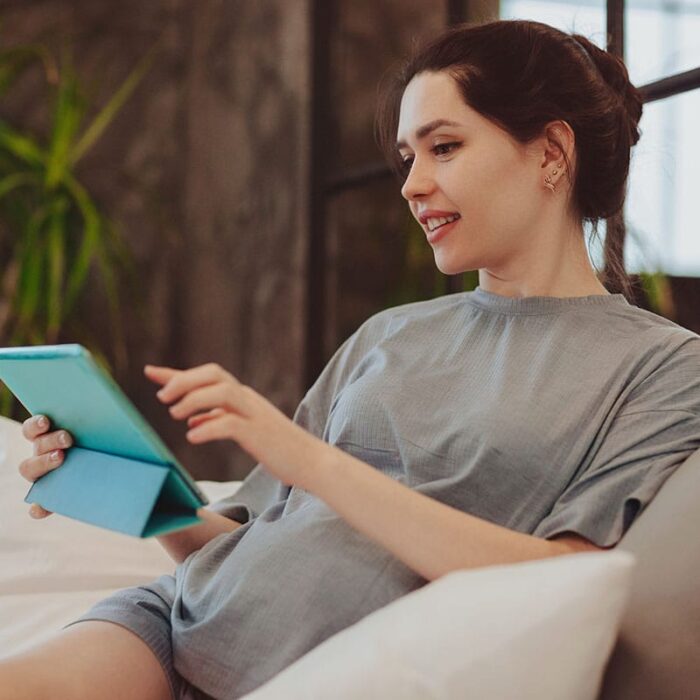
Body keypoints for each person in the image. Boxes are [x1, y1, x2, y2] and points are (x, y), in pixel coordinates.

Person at [2, 17, 700, 700]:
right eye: (408, 158)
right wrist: (129, 485)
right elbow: (247, 542)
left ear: (551, 151)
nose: (411, 184)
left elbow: (564, 579)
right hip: (172, 625)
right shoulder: (389, 333)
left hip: (328, 673)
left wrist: (307, 458)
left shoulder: (661, 368)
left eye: (444, 147)